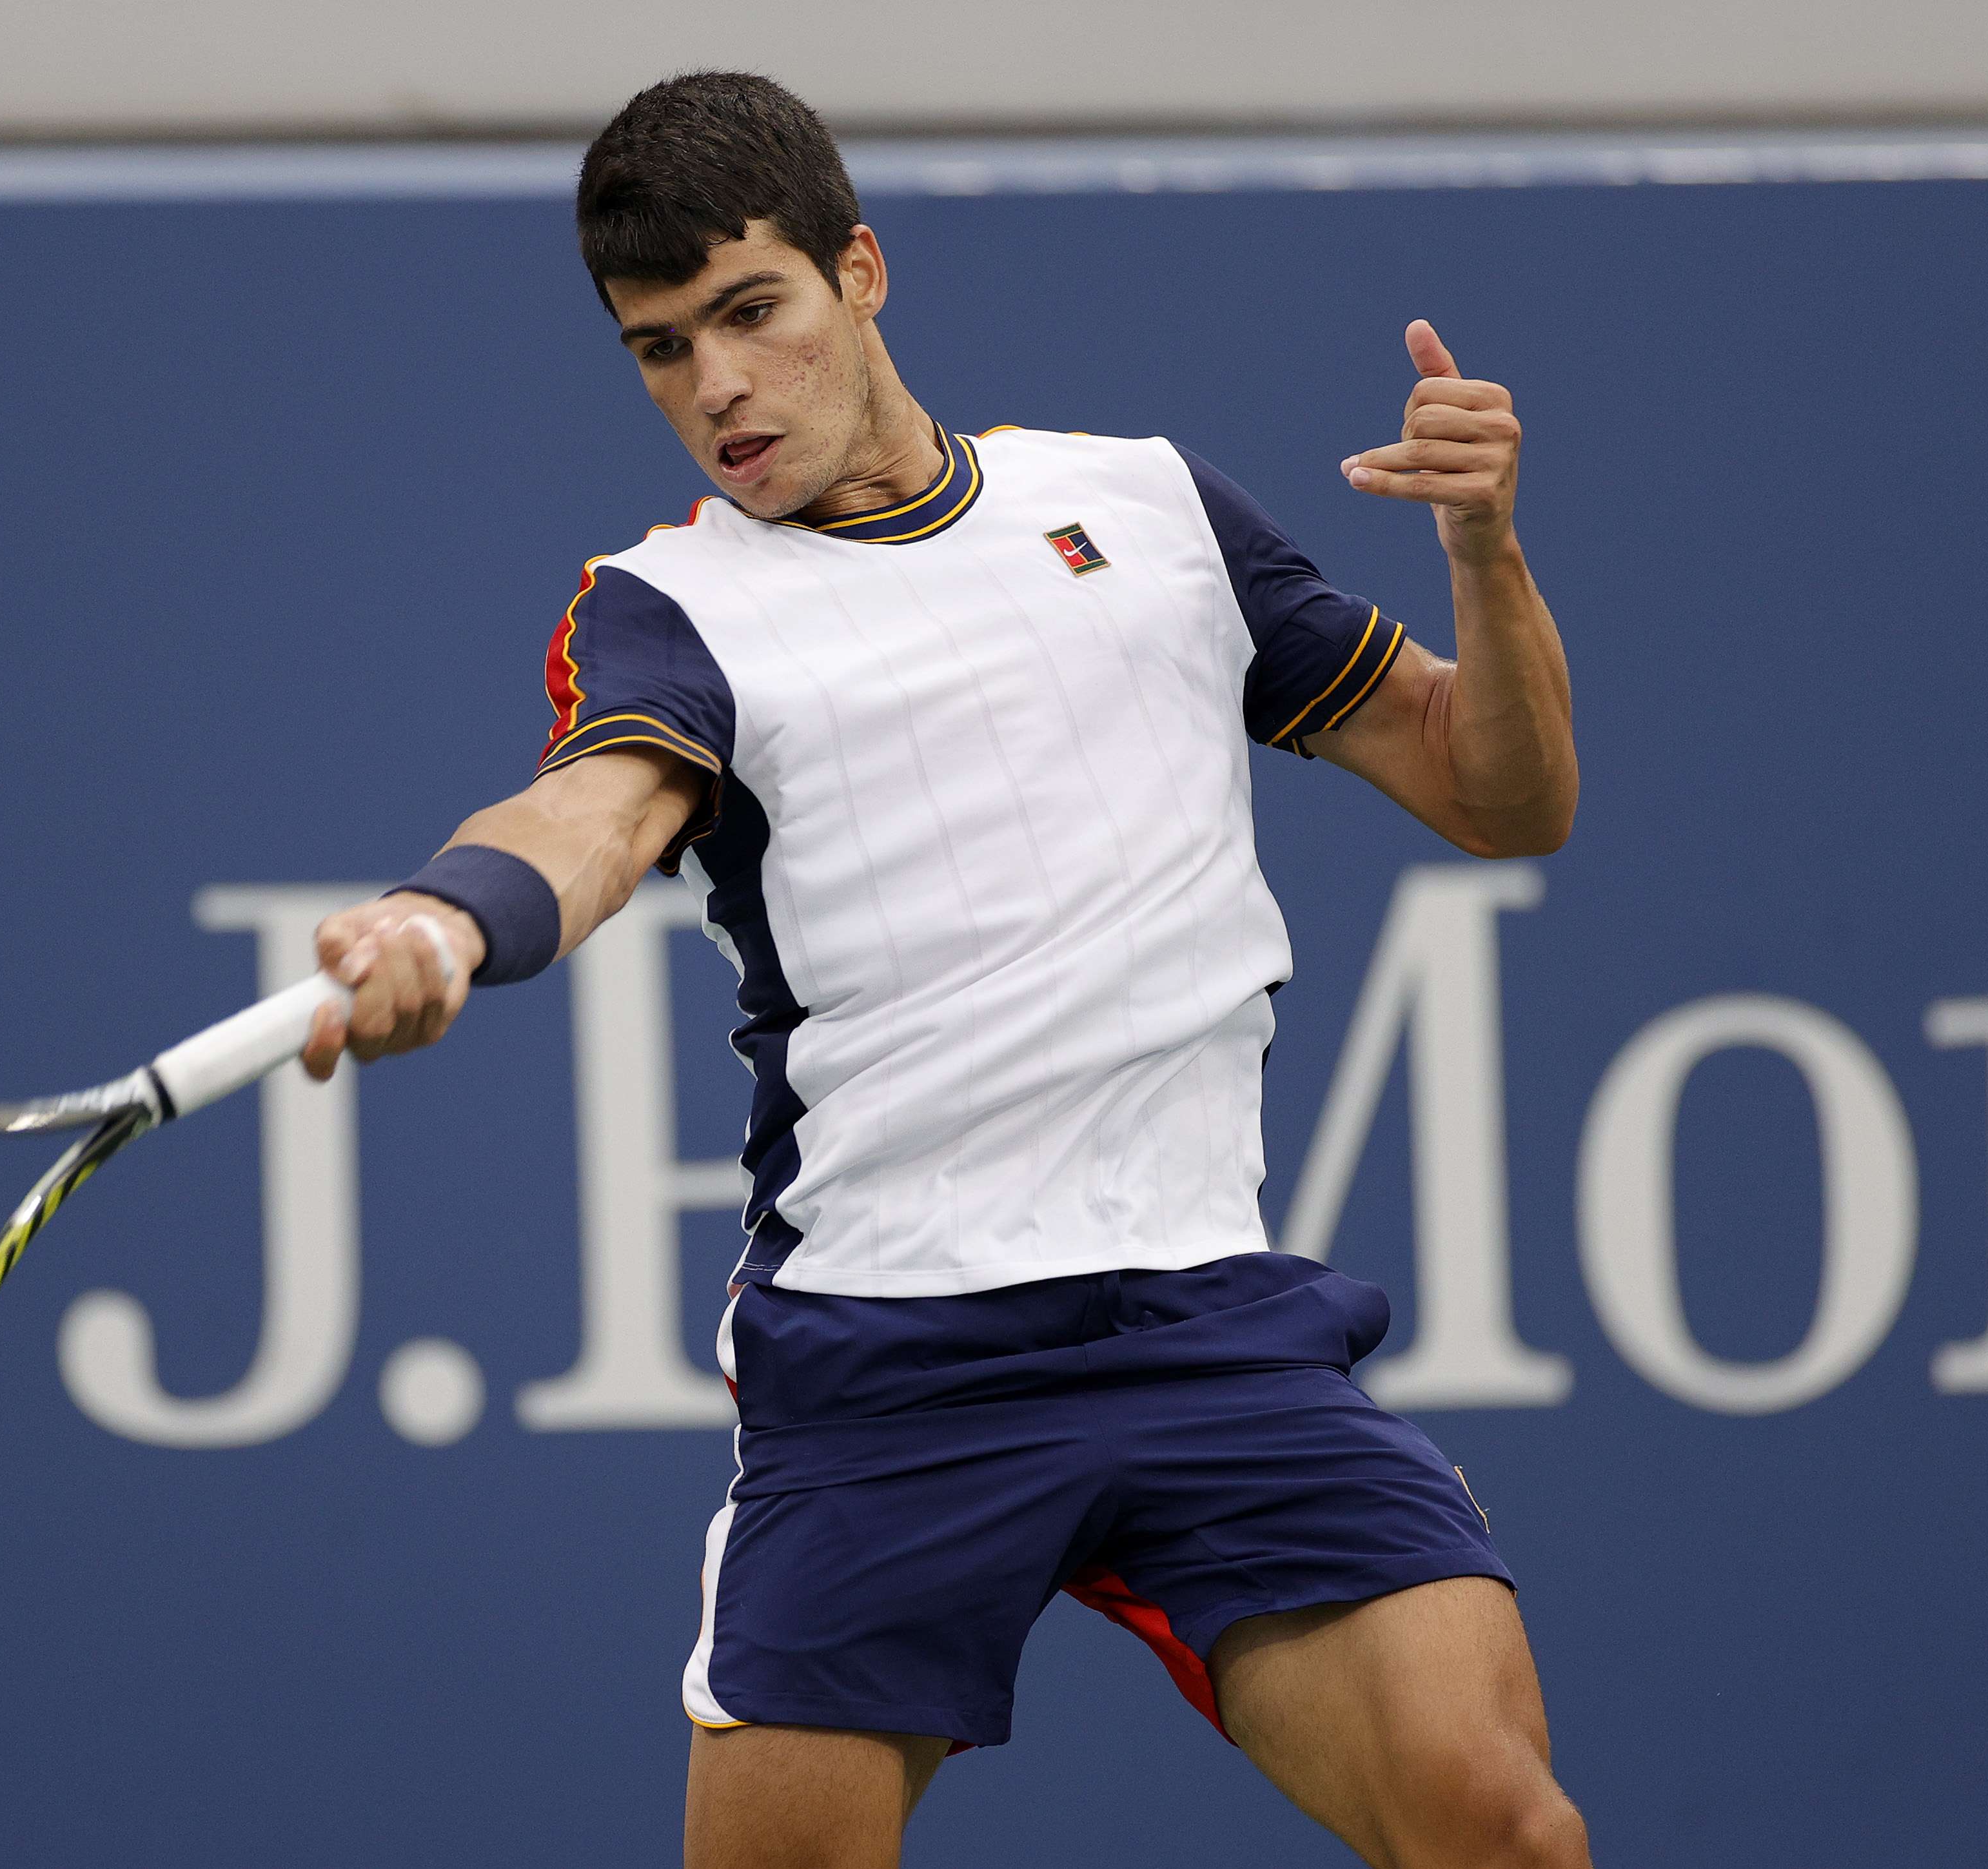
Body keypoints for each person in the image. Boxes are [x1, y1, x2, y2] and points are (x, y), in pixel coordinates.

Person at [297, 72, 1588, 1869]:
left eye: (750, 313)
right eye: (659, 351)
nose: (717, 389)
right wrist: (441, 917)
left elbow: (1495, 793)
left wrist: (1483, 552)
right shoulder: (673, 607)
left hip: (1201, 1324)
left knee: (1502, 1829)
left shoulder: (1144, 511)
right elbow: (590, 814)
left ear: (861, 273)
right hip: (887, 1366)